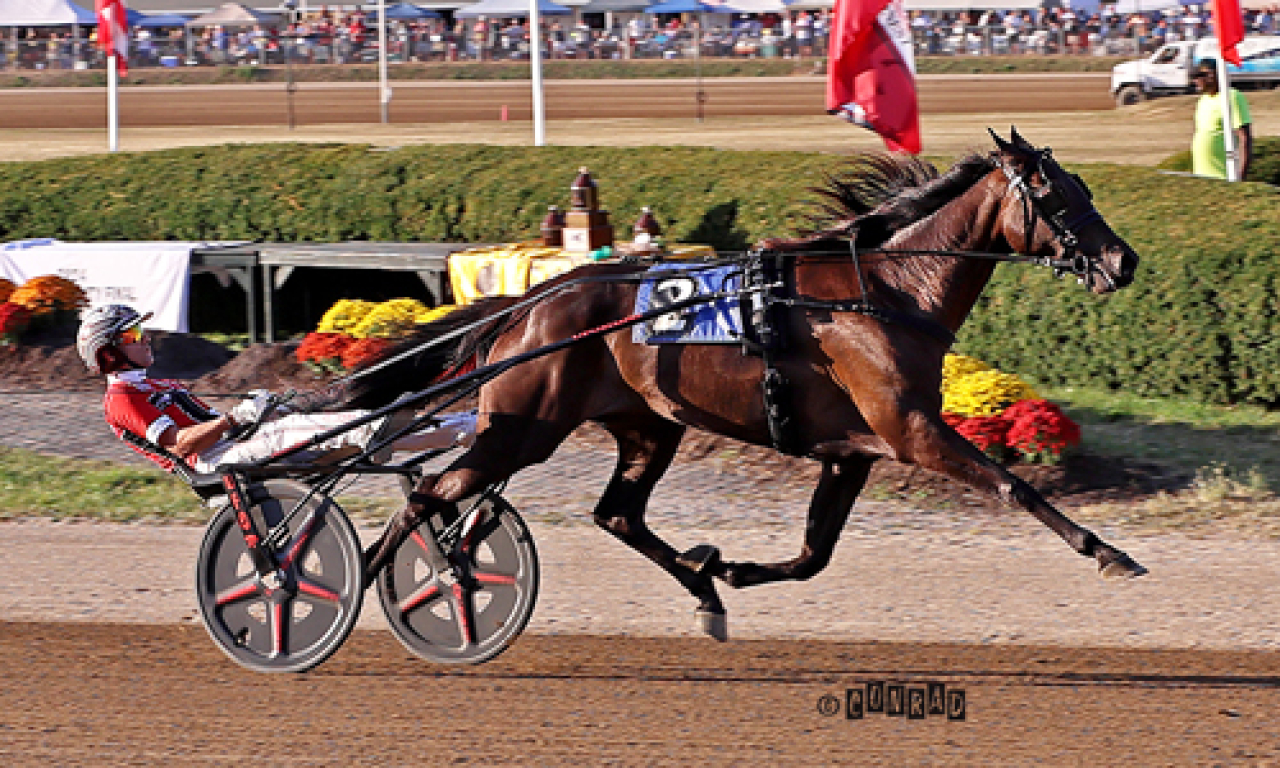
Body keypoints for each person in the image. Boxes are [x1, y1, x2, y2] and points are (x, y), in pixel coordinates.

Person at [77, 304, 475, 476]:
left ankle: (463, 423)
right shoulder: (122, 400)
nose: (144, 338)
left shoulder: (153, 384)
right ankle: (464, 430)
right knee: (349, 426)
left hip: (234, 442)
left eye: (141, 330)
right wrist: (236, 418)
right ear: (109, 353)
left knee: (329, 418)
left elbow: (208, 423)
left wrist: (260, 409)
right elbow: (181, 445)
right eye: (132, 335)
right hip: (215, 460)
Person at [1191, 61, 1253, 180]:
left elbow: (1244, 138)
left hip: (1224, 177)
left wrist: (1240, 176)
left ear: (1213, 74)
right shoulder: (1203, 100)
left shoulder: (1231, 96)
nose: (1195, 80)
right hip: (1202, 175)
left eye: (1199, 76)